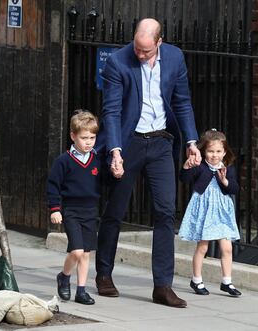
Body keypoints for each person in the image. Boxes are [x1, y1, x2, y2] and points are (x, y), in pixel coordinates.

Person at [95, 18, 201, 308]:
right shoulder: (118, 63)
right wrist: (115, 151)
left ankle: (162, 286)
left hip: (161, 142)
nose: (139, 55)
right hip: (129, 142)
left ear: (159, 42)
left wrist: (192, 141)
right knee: (115, 210)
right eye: (137, 48)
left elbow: (182, 102)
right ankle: (103, 273)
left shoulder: (175, 58)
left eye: (145, 51)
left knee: (166, 212)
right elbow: (112, 112)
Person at [178, 129, 242, 297]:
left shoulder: (227, 168)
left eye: (219, 151)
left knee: (227, 248)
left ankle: (227, 281)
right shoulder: (200, 166)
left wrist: (225, 181)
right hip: (204, 209)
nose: (215, 155)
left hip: (222, 211)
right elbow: (184, 179)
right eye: (210, 151)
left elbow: (235, 189)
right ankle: (196, 280)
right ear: (203, 151)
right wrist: (186, 166)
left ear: (225, 151)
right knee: (203, 246)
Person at [47, 110, 101, 305]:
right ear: (73, 136)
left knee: (86, 253)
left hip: (91, 211)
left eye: (92, 137)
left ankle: (81, 290)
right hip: (71, 211)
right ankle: (64, 276)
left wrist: (116, 173)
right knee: (77, 251)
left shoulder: (97, 160)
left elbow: (104, 183)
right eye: (84, 137)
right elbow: (53, 185)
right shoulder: (64, 161)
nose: (89, 141)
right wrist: (55, 209)